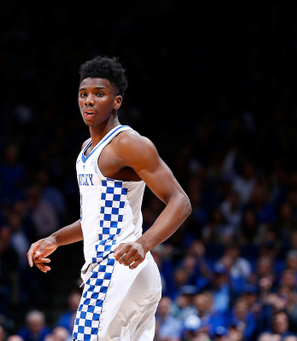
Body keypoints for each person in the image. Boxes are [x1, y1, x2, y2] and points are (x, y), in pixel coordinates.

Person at [26, 56, 192, 341]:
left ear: (116, 101)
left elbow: (181, 202)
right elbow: (95, 219)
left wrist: (144, 242)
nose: (89, 101)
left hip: (114, 263)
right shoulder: (86, 149)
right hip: (133, 269)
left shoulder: (128, 143)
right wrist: (54, 239)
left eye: (99, 94)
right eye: (83, 94)